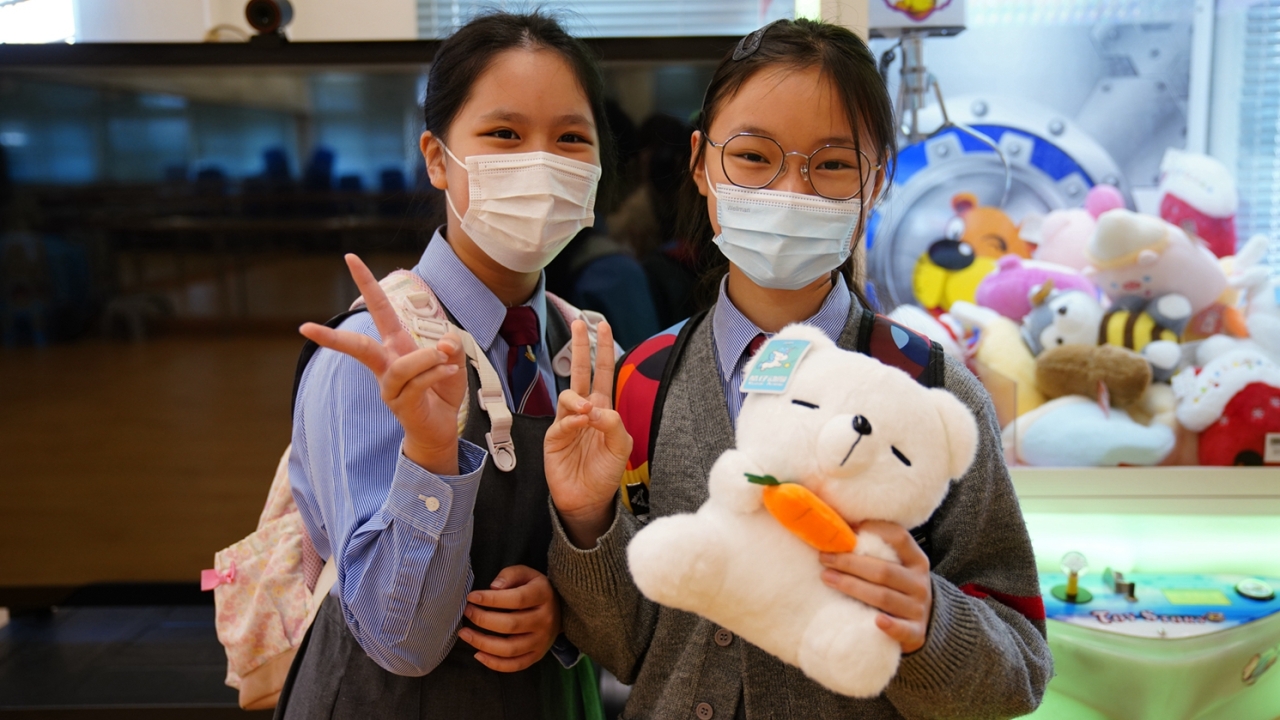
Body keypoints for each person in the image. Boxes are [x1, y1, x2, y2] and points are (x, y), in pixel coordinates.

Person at [542, 19, 1053, 719]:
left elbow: (1019, 671)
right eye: (754, 156)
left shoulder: (930, 392)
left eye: (833, 164)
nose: (791, 191)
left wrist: (929, 622)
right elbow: (622, 646)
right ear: (701, 164)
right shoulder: (644, 382)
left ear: (877, 180)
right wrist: (586, 520)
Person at [276, 12, 618, 719]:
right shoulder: (370, 355)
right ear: (437, 158)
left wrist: (563, 613)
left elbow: (618, 601)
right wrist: (431, 455)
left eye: (570, 139)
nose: (540, 162)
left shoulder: (582, 346)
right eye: (504, 134)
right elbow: (399, 638)